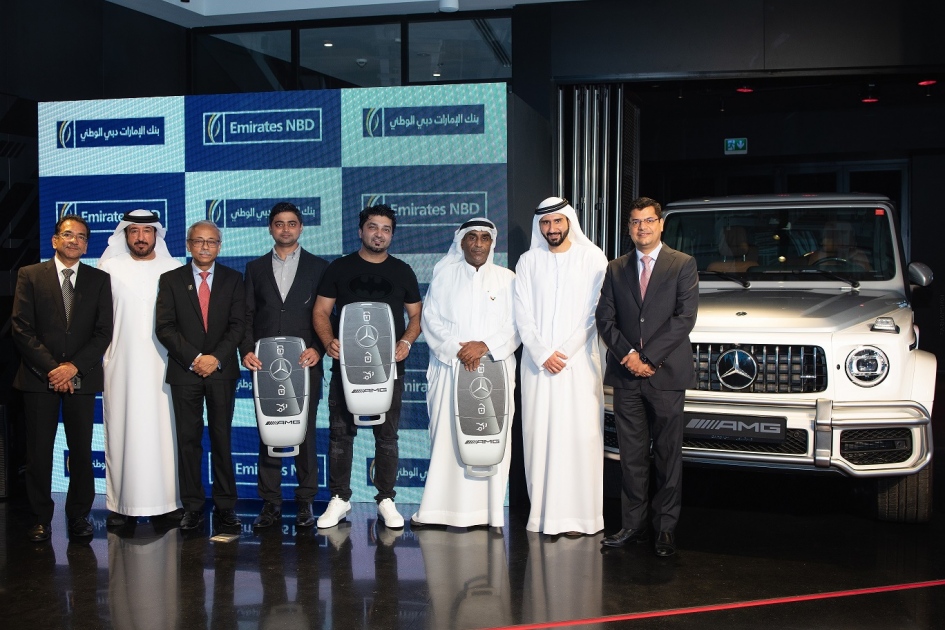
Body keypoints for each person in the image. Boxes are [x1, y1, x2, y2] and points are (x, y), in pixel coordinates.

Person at [595, 196, 698, 557]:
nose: (642, 227)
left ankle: (665, 528)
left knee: (668, 455)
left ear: (661, 224)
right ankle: (633, 525)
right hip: (627, 377)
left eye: (649, 220)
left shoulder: (682, 264)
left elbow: (684, 319)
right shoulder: (616, 268)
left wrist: (648, 358)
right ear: (629, 227)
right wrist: (629, 356)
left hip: (666, 375)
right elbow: (604, 319)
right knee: (631, 456)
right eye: (636, 222)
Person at [312, 204, 422, 530]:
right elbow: (320, 311)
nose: (379, 234)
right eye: (373, 227)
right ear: (361, 231)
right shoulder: (339, 268)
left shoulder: (402, 271)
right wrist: (328, 340)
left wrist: (406, 342)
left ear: (392, 235)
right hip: (347, 367)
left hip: (388, 366)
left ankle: (386, 499)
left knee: (387, 437)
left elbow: (416, 316)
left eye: (386, 229)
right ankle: (339, 499)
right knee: (340, 435)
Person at [411, 218, 519, 530]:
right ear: (461, 242)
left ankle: (488, 514)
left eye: (485, 238)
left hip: (495, 369)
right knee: (446, 440)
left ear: (492, 243)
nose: (478, 244)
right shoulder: (443, 275)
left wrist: (484, 346)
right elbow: (430, 319)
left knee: (489, 437)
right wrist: (458, 350)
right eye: (472, 237)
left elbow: (517, 325)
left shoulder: (508, 279)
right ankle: (437, 512)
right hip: (449, 368)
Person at [12, 215, 113, 542]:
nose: (75, 241)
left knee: (81, 451)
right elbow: (21, 329)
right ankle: (40, 518)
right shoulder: (30, 275)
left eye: (81, 237)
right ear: (55, 240)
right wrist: (54, 369)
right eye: (68, 235)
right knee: (39, 453)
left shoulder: (99, 280)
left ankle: (79, 516)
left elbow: (103, 333)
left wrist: (73, 368)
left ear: (86, 245)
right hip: (37, 377)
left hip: (81, 377)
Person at [513, 196, 608, 536]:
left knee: (580, 437)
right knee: (540, 437)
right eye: (545, 223)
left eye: (557, 221)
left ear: (569, 221)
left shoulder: (592, 257)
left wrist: (564, 352)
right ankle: (544, 517)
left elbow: (596, 312)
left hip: (578, 364)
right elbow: (521, 312)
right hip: (538, 367)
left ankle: (582, 519)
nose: (551, 228)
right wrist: (542, 353)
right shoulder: (527, 262)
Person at [240, 202, 329, 529]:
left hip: (304, 363)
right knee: (270, 431)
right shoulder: (255, 268)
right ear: (270, 228)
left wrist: (319, 348)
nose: (286, 229)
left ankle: (305, 503)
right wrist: (246, 350)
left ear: (301, 227)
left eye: (292, 223)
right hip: (265, 365)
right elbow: (246, 316)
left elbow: (328, 315)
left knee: (304, 433)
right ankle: (270, 504)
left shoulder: (319, 267)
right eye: (279, 223)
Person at [156, 220, 246, 531]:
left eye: (211, 241)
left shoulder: (234, 279)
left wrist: (215, 358)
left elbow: (238, 325)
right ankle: (192, 506)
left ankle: (225, 505)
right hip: (186, 372)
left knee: (222, 438)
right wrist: (196, 359)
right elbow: (164, 327)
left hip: (221, 371)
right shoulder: (171, 280)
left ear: (219, 246)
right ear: (188, 245)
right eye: (198, 241)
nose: (205, 247)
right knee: (188, 440)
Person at [99, 210, 183, 527]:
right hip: (122, 368)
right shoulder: (109, 269)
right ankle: (123, 506)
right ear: (125, 235)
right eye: (134, 231)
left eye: (147, 231)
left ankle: (169, 504)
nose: (140, 237)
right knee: (124, 432)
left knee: (167, 432)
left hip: (166, 366)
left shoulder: (174, 269)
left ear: (156, 235)